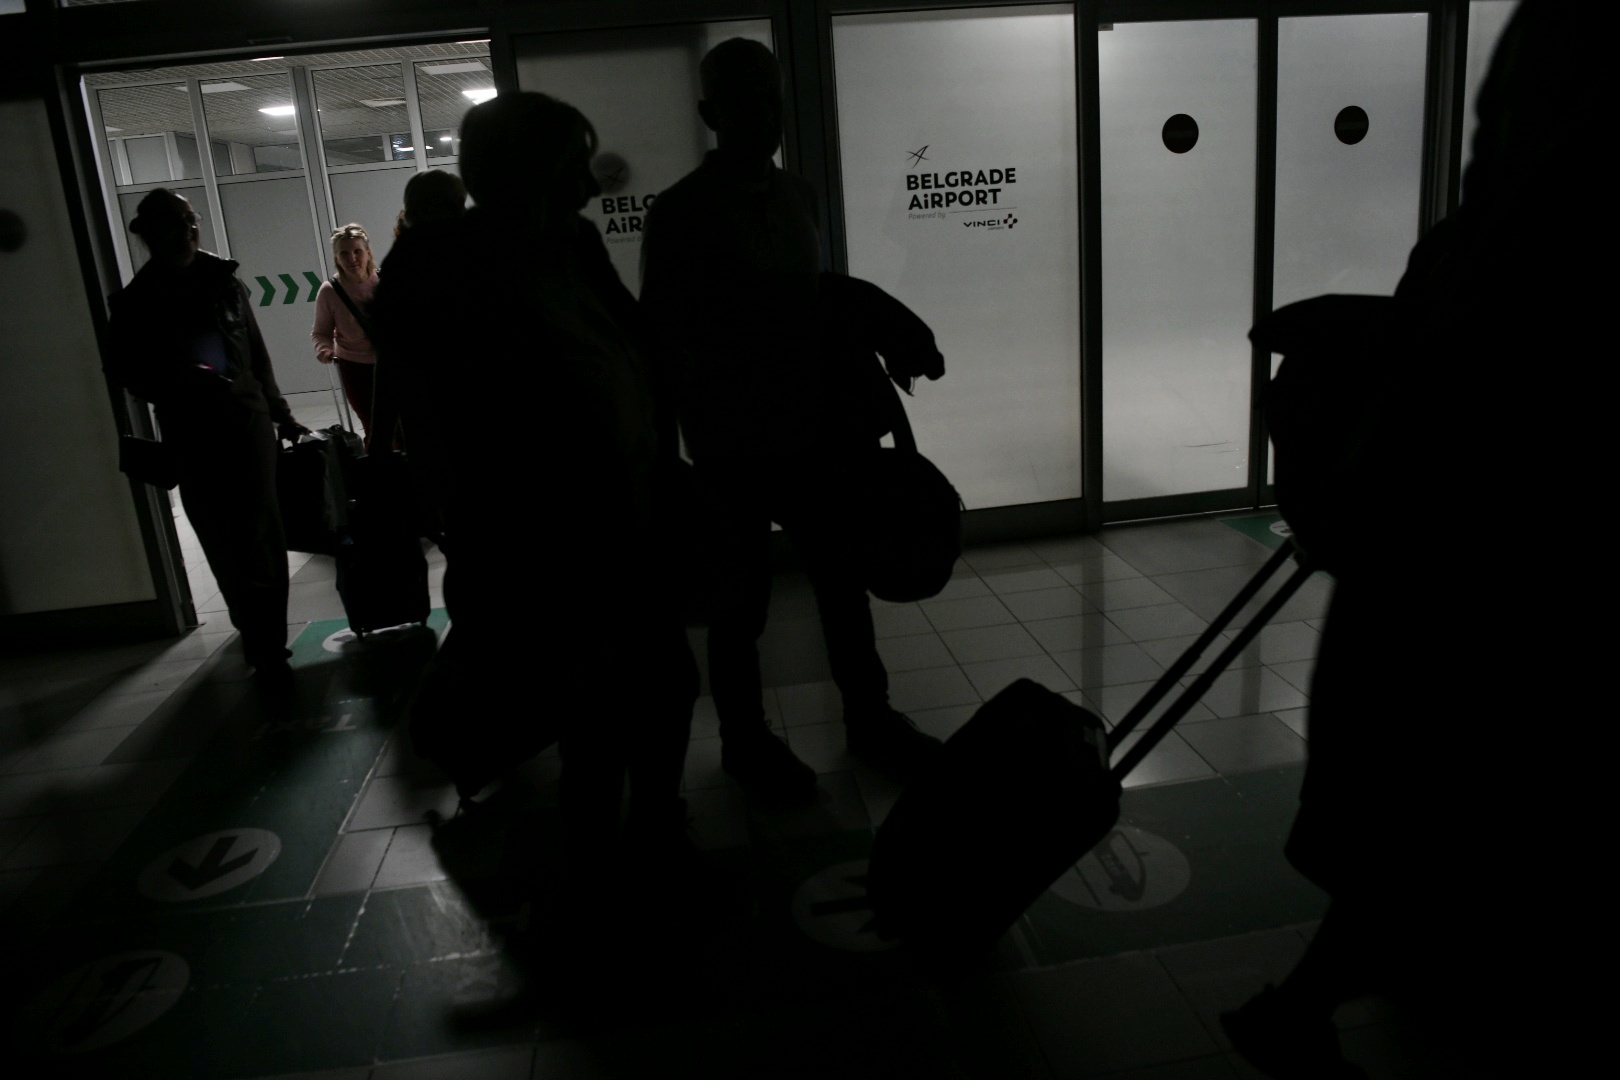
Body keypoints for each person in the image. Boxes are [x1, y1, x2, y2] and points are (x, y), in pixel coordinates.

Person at [1222, 2, 1582, 1075]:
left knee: (1418, 819)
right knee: (1425, 829)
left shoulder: (1520, 241)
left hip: (1453, 590)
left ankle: (1310, 1008)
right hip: (1439, 581)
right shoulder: (1501, 238)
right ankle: (1313, 1007)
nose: (1485, 128)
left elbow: (1475, 376)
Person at [371, 93, 698, 887]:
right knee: (594, 710)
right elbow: (431, 400)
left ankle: (649, 837)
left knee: (660, 685)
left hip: (628, 516)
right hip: (539, 536)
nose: (590, 186)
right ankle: (605, 875)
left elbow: (632, 349)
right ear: (529, 172)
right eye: (573, 167)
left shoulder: (576, 241)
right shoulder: (440, 261)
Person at [640, 38, 941, 808]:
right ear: (711, 113)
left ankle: (866, 718)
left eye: (770, 98)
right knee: (742, 607)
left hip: (815, 432)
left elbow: (807, 306)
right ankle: (746, 740)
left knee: (841, 589)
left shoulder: (795, 197)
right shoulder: (678, 214)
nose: (764, 115)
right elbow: (668, 339)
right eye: (746, 100)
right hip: (733, 445)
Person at [105, 188, 305, 690]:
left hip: (246, 423)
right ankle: (253, 627)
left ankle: (268, 643)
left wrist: (279, 412)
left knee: (261, 535)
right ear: (147, 235)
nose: (188, 230)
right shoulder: (136, 303)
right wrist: (177, 381)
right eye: (177, 222)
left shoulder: (223, 282)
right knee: (221, 537)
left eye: (190, 219)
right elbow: (129, 374)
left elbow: (255, 354)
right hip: (191, 432)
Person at [311, 223, 379, 444]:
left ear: (368, 253)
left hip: (391, 363)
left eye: (358, 251)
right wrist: (325, 350)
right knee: (373, 425)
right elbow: (320, 332)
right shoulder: (330, 291)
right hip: (355, 368)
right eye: (344, 253)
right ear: (336, 258)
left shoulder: (385, 282)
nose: (352, 258)